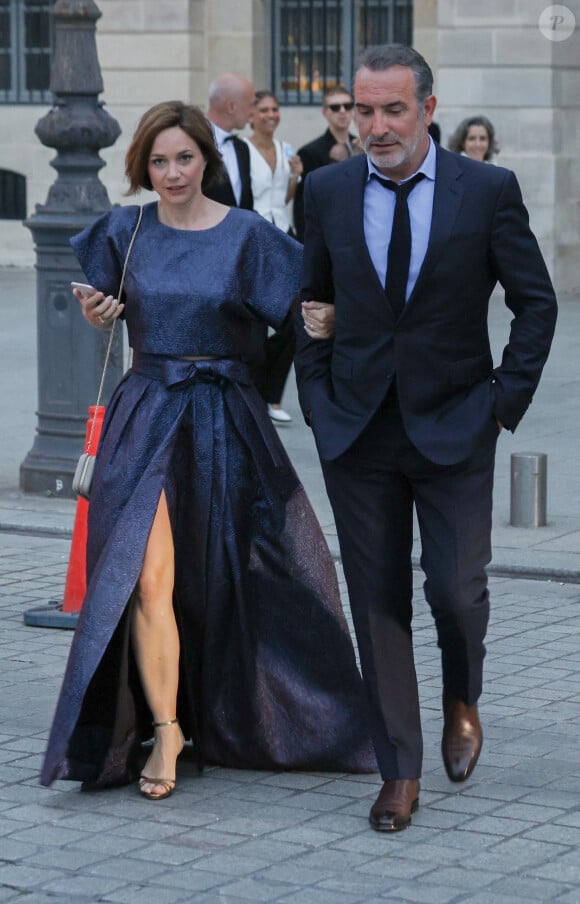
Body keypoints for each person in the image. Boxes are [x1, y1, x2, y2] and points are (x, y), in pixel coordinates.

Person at [41, 101, 376, 799]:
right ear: (143, 166)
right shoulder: (124, 232)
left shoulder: (248, 237)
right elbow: (99, 299)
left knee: (243, 574)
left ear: (206, 161)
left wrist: (339, 324)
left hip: (224, 418)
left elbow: (305, 312)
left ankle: (252, 714)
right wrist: (93, 309)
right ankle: (164, 730)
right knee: (149, 578)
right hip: (146, 415)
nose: (171, 173)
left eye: (184, 158)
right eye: (158, 161)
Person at [295, 44, 557, 833]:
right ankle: (399, 768)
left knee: (455, 590)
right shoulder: (330, 192)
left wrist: (500, 405)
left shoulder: (487, 191)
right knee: (377, 602)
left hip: (456, 427)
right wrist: (316, 397)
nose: (376, 126)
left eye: (393, 110)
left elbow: (535, 304)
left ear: (428, 110)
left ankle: (463, 695)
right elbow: (310, 300)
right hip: (357, 430)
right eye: (364, 110)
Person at [243, 90, 303, 424]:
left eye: (275, 109)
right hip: (254, 236)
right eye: (263, 109)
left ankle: (273, 396)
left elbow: (285, 196)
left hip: (284, 232)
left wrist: (294, 175)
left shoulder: (285, 149)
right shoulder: (242, 150)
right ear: (251, 115)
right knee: (254, 321)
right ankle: (252, 393)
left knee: (294, 319)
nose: (271, 114)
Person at [293, 86, 358, 242]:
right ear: (325, 112)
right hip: (326, 234)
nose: (342, 111)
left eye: (347, 106)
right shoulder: (309, 152)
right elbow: (303, 204)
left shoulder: (362, 147)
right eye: (335, 107)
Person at [204, 72, 255, 208]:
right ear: (231, 106)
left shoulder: (242, 148)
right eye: (250, 105)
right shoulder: (195, 143)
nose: (253, 112)